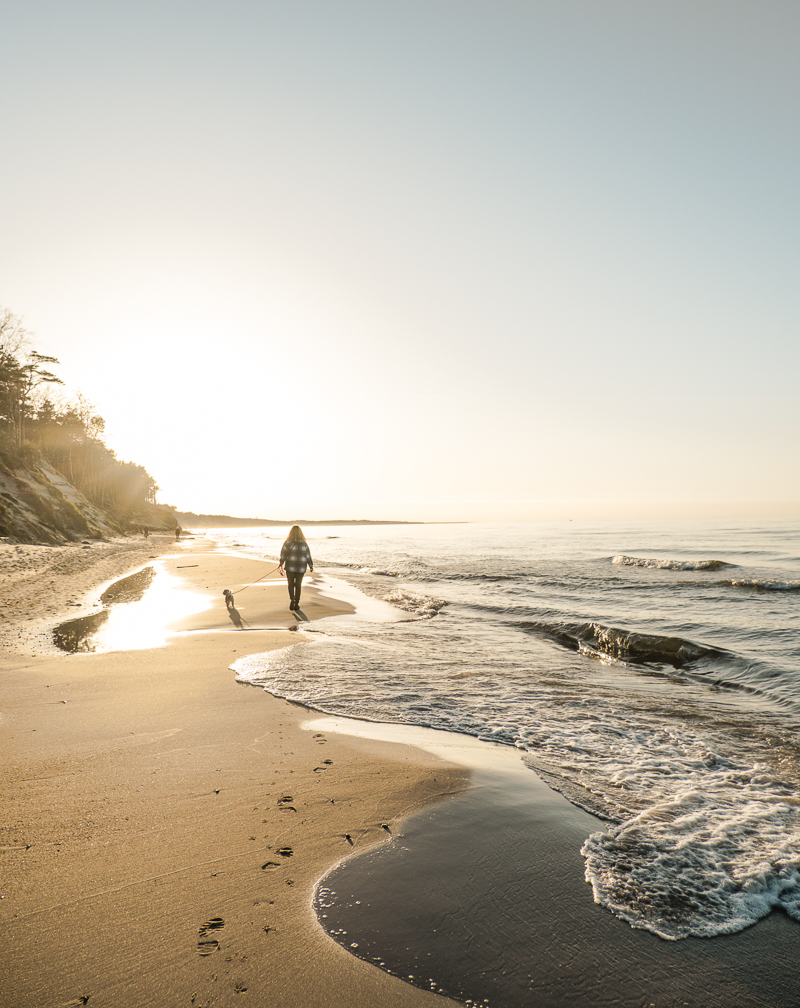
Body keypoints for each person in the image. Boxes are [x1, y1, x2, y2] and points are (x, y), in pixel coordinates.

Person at [278, 525, 313, 611]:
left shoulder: (287, 543)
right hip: (301, 568)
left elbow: (283, 554)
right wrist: (311, 565)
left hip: (290, 567)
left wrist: (281, 563)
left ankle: (292, 599)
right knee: (298, 585)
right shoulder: (304, 544)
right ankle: (296, 603)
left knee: (290, 584)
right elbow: (308, 555)